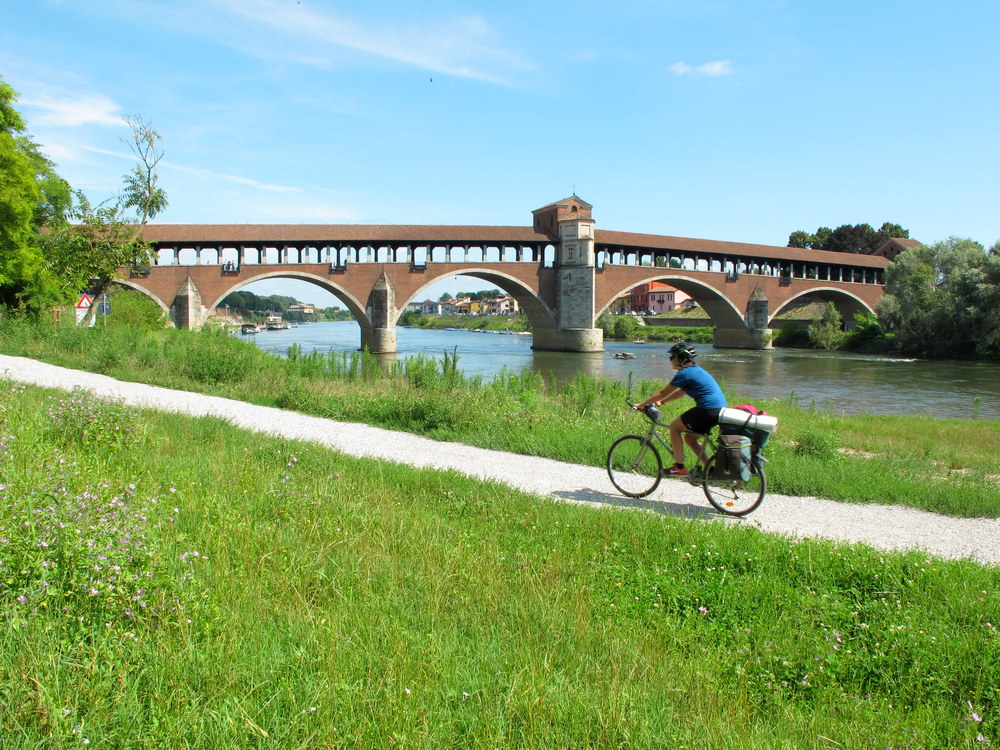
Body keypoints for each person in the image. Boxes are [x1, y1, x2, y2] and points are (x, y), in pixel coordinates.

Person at [634, 342, 727, 476]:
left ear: (679, 359)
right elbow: (681, 392)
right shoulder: (696, 370)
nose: (670, 360)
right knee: (690, 439)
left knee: (675, 428)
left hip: (707, 409)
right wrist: (662, 402)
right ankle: (711, 470)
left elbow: (662, 392)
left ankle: (679, 467)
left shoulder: (685, 373)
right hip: (718, 410)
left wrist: (642, 404)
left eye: (672, 357)